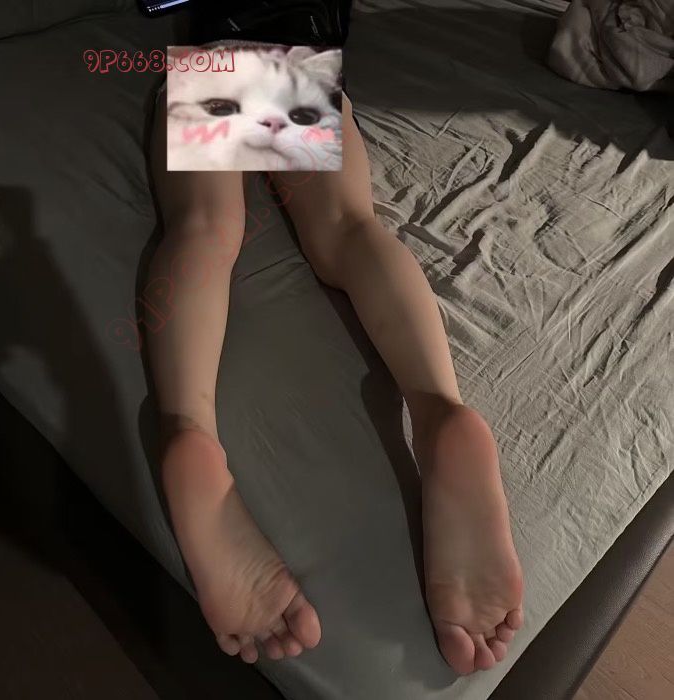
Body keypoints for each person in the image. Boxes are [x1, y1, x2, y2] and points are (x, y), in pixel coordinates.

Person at [147, 0, 524, 676]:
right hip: (300, 64)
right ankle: (438, 407)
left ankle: (189, 429)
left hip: (218, 62)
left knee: (205, 229)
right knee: (351, 229)